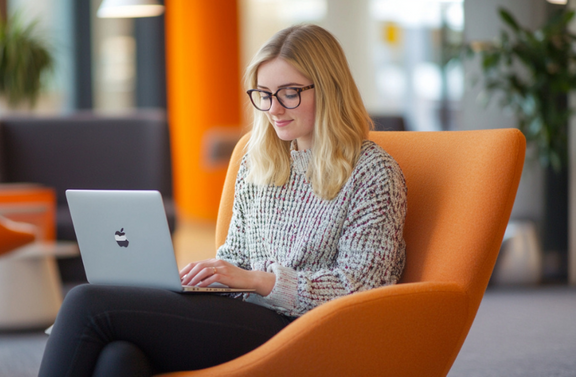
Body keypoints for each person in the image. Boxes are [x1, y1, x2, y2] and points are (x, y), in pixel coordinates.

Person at [38, 24, 407, 377]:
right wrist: (204, 277)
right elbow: (236, 257)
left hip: (307, 328)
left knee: (86, 302)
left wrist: (261, 281)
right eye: (263, 94)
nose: (273, 109)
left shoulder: (372, 172)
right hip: (248, 314)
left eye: (289, 93)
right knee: (120, 359)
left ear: (329, 89)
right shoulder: (259, 159)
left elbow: (361, 290)